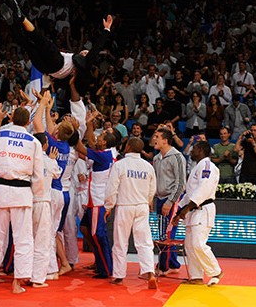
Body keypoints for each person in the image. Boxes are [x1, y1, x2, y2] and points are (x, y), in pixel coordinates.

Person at [0, 107, 44, 294]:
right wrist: (37, 195)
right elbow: (38, 175)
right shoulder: (33, 142)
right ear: (28, 122)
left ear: (11, 118)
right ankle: (17, 282)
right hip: (22, 193)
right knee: (23, 239)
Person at [1, 0, 112, 94]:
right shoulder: (74, 64)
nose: (85, 52)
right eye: (85, 51)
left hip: (58, 63)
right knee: (26, 44)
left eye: (87, 53)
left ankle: (21, 17)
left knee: (39, 38)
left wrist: (106, 30)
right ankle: (11, 24)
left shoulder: (86, 63)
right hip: (46, 69)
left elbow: (97, 48)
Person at [104, 137, 157, 289]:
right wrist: (147, 201)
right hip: (142, 206)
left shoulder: (120, 165)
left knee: (121, 242)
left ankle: (119, 275)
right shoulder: (148, 167)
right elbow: (152, 189)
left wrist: (109, 206)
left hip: (125, 205)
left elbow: (111, 188)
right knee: (144, 242)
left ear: (127, 147)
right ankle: (150, 272)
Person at [171, 141, 223, 286]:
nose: (191, 152)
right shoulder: (197, 167)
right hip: (193, 210)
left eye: (193, 149)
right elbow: (189, 193)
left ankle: (216, 271)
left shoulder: (208, 166)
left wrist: (186, 209)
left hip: (203, 209)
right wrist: (180, 211)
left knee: (198, 244)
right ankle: (196, 277)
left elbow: (203, 189)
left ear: (200, 150)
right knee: (189, 245)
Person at [74, 110, 116, 279]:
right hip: (93, 200)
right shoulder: (103, 154)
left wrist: (77, 131)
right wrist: (89, 123)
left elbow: (80, 147)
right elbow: (91, 142)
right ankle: (101, 264)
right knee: (87, 229)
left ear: (105, 142)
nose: (97, 138)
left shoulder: (104, 156)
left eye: (100, 137)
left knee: (98, 234)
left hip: (98, 200)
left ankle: (105, 268)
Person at [151, 127, 186, 276]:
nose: (154, 139)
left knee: (167, 234)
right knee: (162, 233)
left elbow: (181, 183)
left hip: (171, 199)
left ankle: (163, 267)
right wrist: (153, 199)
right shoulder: (156, 158)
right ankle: (173, 264)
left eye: (157, 137)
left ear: (165, 140)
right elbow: (156, 181)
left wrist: (170, 201)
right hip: (159, 198)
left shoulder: (177, 157)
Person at [30, 132, 62, 287]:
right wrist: (52, 160)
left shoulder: (28, 160)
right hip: (43, 202)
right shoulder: (49, 162)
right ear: (44, 145)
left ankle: (26, 273)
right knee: (42, 241)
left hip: (27, 202)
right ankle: (37, 278)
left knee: (27, 240)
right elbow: (57, 175)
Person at [234, 123, 256, 189]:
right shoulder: (246, 141)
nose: (253, 132)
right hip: (245, 173)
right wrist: (241, 137)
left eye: (255, 130)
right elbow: (236, 149)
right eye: (251, 130)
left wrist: (253, 143)